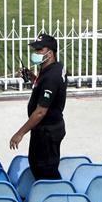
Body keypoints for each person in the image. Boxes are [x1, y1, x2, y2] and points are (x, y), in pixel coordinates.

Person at [10, 33, 67, 179]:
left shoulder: (51, 77)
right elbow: (43, 86)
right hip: (44, 130)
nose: (36, 53)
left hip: (47, 132)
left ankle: (51, 196)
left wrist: (20, 133)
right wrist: (31, 76)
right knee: (36, 165)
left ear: (51, 52)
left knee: (45, 171)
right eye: (36, 50)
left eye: (40, 50)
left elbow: (41, 112)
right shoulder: (53, 68)